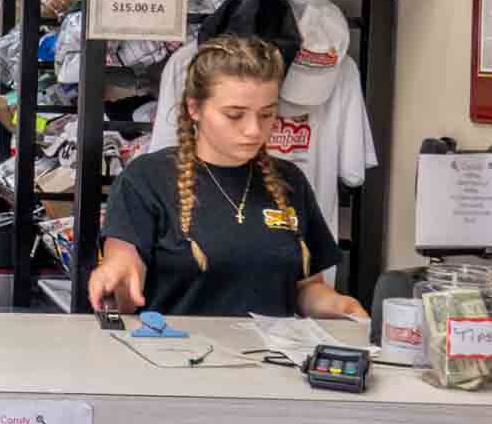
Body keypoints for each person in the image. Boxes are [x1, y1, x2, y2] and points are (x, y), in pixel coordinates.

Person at [89, 34, 369, 320]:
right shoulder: (146, 179)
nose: (253, 130)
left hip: (270, 360)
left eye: (267, 115)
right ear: (194, 107)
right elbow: (122, 262)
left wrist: (341, 307)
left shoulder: (290, 181)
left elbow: (307, 288)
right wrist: (117, 275)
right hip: (176, 357)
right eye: (235, 115)